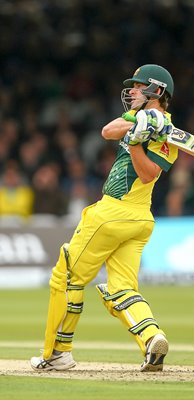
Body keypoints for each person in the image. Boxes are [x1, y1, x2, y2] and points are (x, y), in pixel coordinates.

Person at [30, 64, 178, 372]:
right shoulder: (140, 118)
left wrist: (138, 142)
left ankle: (58, 352)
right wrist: (138, 122)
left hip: (115, 212)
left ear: (157, 92)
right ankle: (153, 340)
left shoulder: (168, 135)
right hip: (138, 222)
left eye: (138, 86)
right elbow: (107, 131)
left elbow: (149, 174)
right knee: (122, 288)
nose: (132, 91)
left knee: (67, 276)